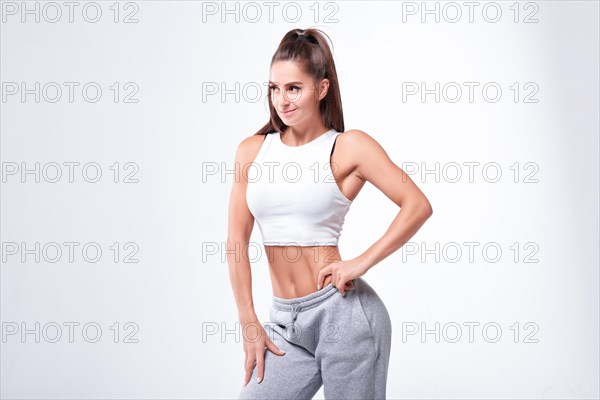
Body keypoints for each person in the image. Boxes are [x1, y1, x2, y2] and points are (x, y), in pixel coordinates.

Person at [227, 27, 433, 400]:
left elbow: (417, 205)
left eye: (294, 88)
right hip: (284, 322)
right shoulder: (252, 151)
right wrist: (249, 323)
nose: (281, 100)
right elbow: (235, 243)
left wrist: (360, 263)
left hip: (345, 319)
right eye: (274, 88)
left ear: (321, 89)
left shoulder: (348, 147)